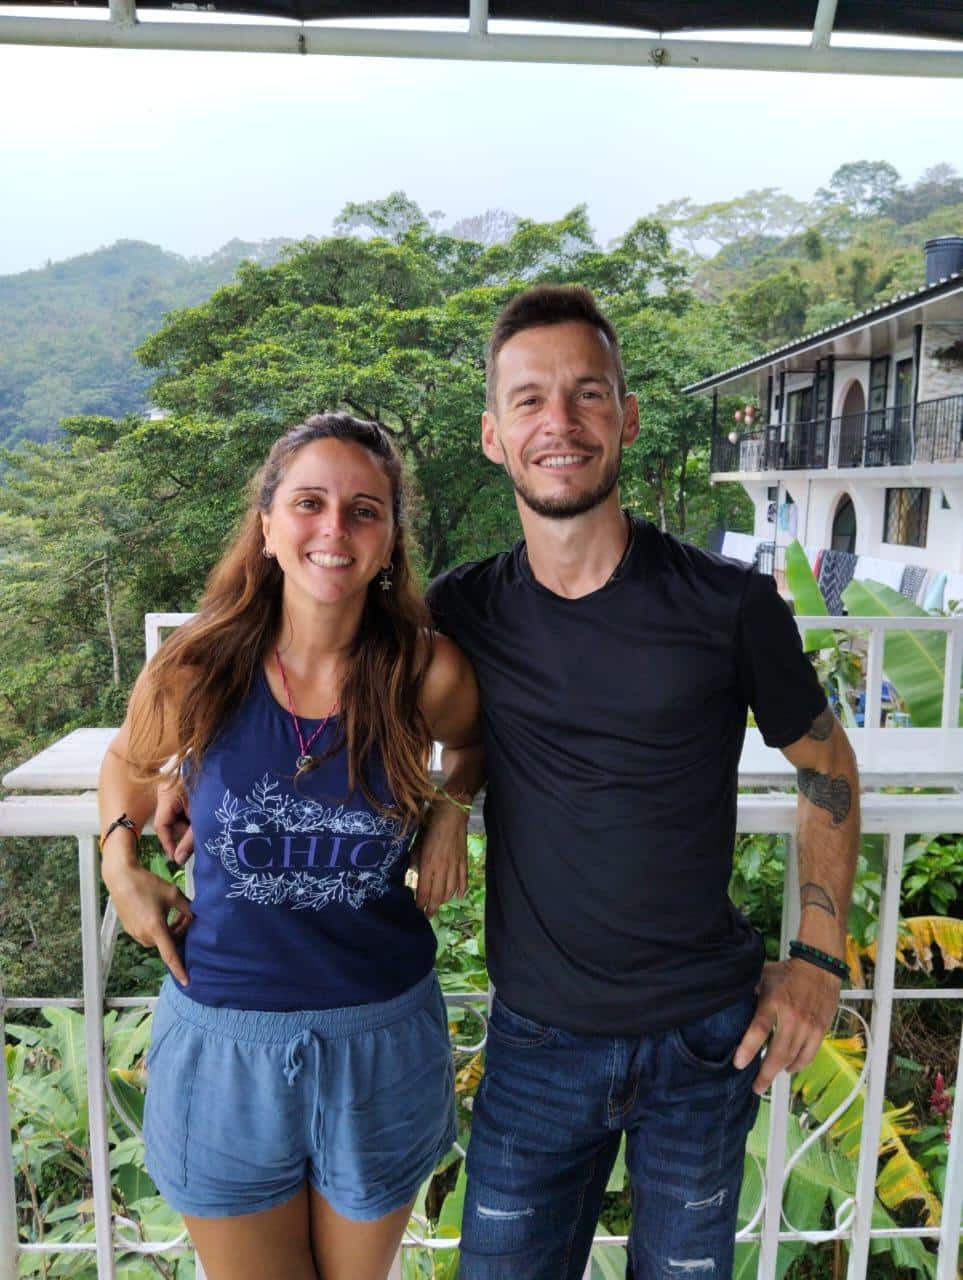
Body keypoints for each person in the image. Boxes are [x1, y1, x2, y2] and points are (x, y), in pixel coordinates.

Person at [424, 285, 861, 1279]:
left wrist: (817, 956)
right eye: (529, 399)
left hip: (703, 1042)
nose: (560, 421)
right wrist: (147, 788)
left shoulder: (727, 603)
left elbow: (826, 763)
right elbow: (350, 696)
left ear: (626, 417)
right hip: (536, 1042)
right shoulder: (464, 609)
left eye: (587, 393)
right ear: (494, 436)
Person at [98, 413, 479, 1280]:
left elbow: (470, 741)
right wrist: (121, 859)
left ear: (389, 542)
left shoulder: (426, 672)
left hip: (380, 1037)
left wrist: (452, 805)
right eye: (308, 503)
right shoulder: (199, 667)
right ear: (267, 526)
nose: (333, 529)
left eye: (363, 510)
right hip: (224, 1040)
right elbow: (128, 759)